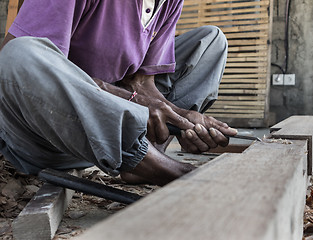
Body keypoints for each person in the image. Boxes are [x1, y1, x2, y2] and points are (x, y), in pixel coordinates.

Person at [0, 0, 237, 186]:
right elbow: (14, 68)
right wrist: (129, 100)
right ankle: (151, 164)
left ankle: (151, 154)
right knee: (19, 53)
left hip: (109, 140)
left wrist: (182, 116)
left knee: (210, 42)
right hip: (52, 135)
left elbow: (143, 84)